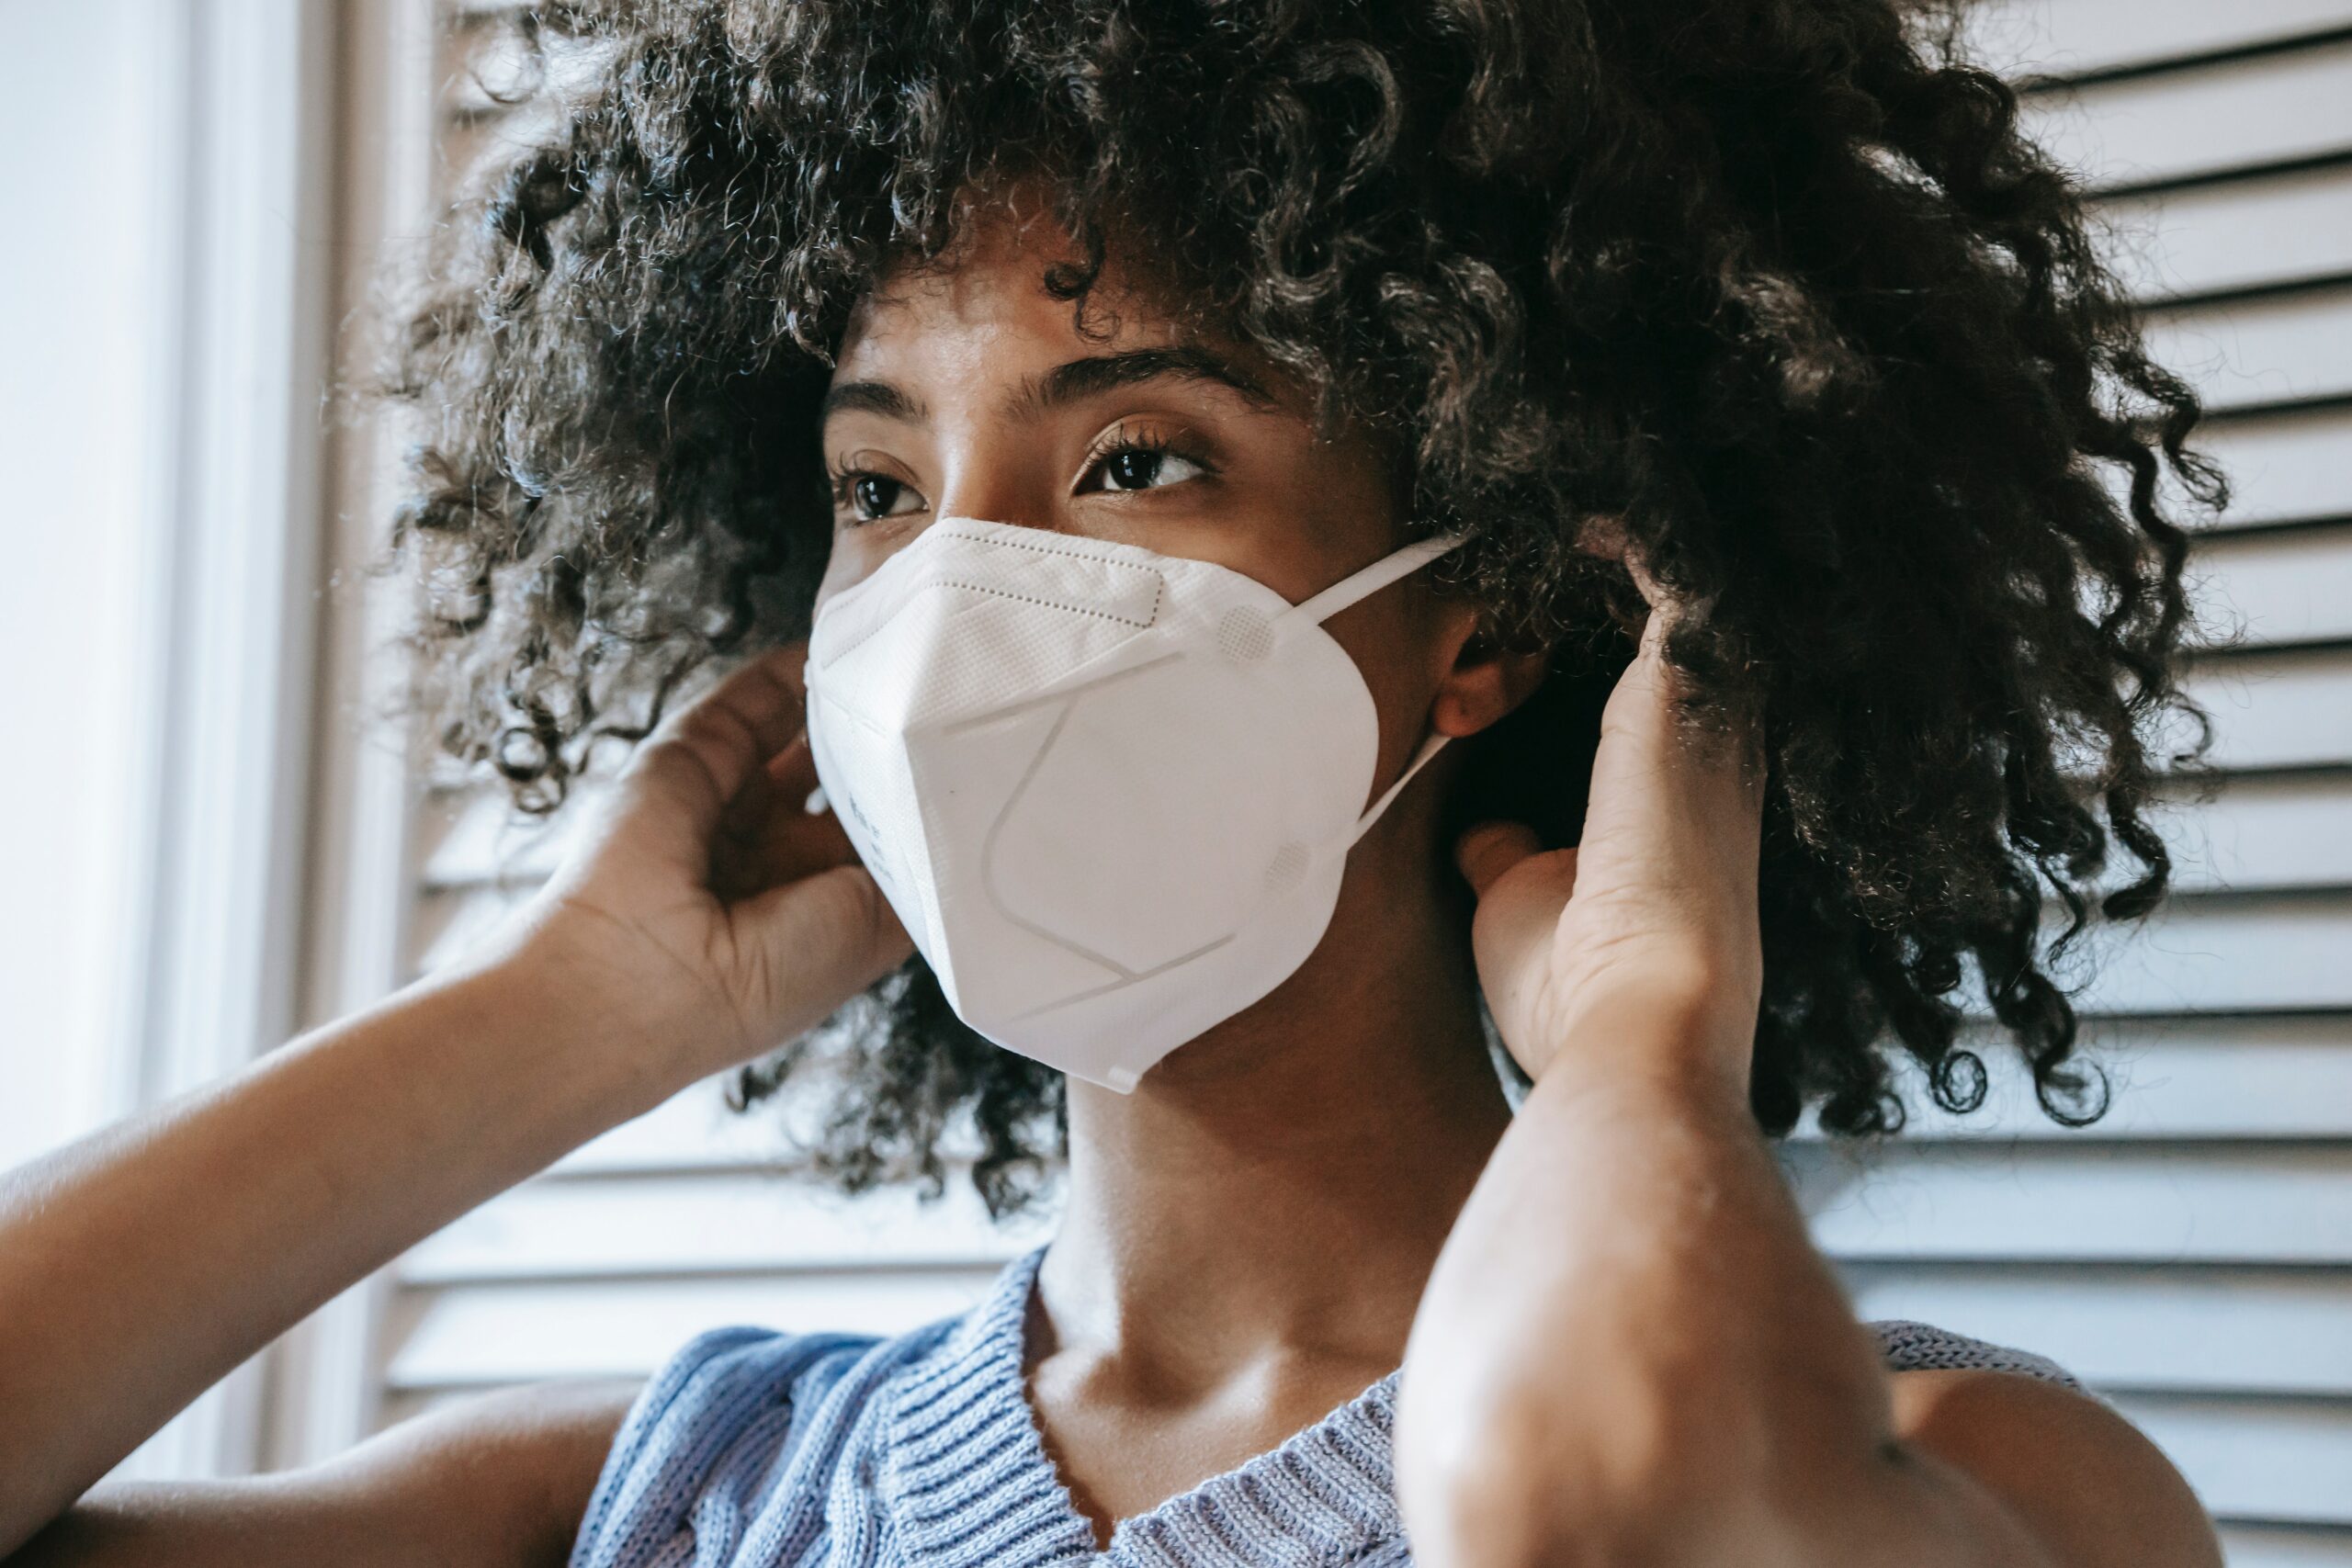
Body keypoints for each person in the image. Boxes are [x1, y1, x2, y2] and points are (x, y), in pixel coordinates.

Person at [0, 2, 2229, 1564]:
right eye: (878, 481)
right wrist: (564, 1011)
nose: (957, 581)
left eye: (1134, 457)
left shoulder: (1965, 1469)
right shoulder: (666, 1498)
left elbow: (1601, 1512)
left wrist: (1643, 1031)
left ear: (1487, 617)